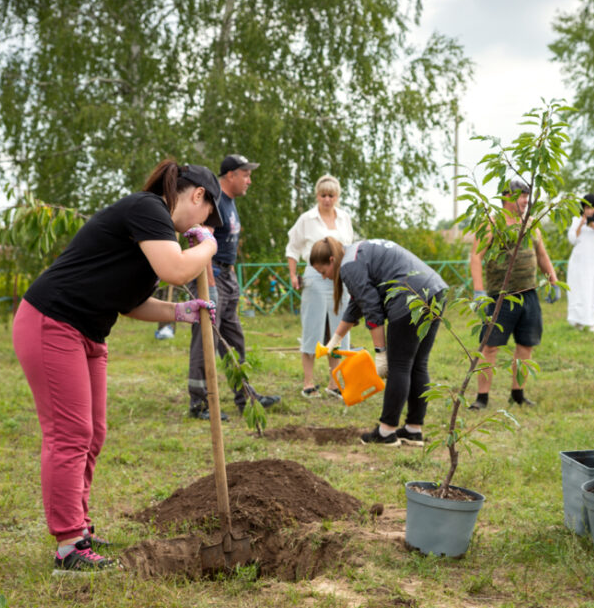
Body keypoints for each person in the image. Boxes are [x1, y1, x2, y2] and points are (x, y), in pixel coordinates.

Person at [13, 160, 221, 572]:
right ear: (198, 196)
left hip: (90, 332)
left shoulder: (155, 230)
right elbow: (176, 268)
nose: (203, 222)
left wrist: (179, 311)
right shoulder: (149, 209)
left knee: (93, 432)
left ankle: (80, 528)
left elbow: (128, 302)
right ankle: (68, 546)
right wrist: (209, 244)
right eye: (208, 214)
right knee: (70, 433)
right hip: (53, 321)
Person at [311, 237, 447, 446]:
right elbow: (359, 302)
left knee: (399, 365)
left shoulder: (348, 265)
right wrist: (335, 340)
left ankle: (386, 432)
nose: (325, 277)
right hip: (434, 291)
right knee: (419, 364)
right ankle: (413, 429)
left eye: (323, 272)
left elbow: (372, 309)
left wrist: (381, 352)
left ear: (331, 260)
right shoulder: (357, 252)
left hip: (409, 297)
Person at [187, 154, 280, 420]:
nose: (249, 180)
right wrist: (211, 286)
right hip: (210, 274)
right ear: (230, 175)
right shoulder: (215, 201)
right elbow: (202, 242)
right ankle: (199, 403)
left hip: (226, 274)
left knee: (233, 337)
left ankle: (245, 396)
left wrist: (230, 274)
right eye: (245, 174)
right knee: (205, 338)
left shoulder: (230, 202)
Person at [468, 179, 559, 411]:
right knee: (489, 347)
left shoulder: (530, 224)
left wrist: (553, 280)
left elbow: (541, 255)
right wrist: (478, 291)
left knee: (525, 345)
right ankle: (482, 398)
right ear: (508, 198)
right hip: (501, 297)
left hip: (528, 295)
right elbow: (476, 257)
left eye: (528, 199)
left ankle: (518, 394)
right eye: (522, 198)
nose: (526, 203)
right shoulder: (491, 224)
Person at [285, 174, 356, 399]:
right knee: (313, 328)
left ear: (337, 197)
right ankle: (308, 382)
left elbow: (350, 247)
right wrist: (293, 274)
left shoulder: (344, 218)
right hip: (314, 278)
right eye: (323, 195)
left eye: (331, 195)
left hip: (340, 279)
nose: (327, 199)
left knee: (339, 329)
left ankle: (335, 383)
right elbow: (292, 248)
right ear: (317, 196)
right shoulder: (307, 219)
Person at [566, 193, 594, 332]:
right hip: (578, 261)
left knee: (593, 289)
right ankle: (577, 321)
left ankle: (592, 322)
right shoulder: (576, 219)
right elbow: (572, 239)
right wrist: (581, 224)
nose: (590, 211)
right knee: (577, 289)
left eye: (592, 208)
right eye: (587, 207)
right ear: (583, 208)